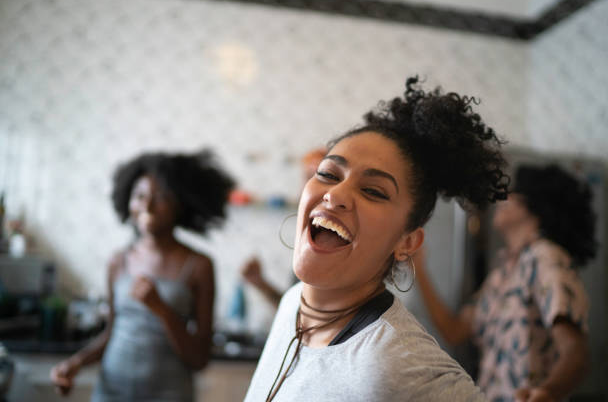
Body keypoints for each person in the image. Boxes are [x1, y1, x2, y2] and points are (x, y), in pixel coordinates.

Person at [244, 76, 510, 402]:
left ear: (408, 242)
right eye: (327, 174)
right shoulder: (292, 303)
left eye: (372, 191)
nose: (336, 194)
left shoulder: (399, 367)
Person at [50, 150, 234, 401]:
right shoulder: (118, 261)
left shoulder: (199, 266)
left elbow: (199, 359)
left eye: (160, 197)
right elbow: (111, 333)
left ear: (180, 204)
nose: (147, 205)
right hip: (110, 392)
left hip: (169, 394)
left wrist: (161, 309)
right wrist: (74, 364)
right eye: (139, 195)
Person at [414, 164, 596, 401]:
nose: (503, 198)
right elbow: (455, 331)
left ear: (535, 205)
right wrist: (418, 268)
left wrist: (546, 393)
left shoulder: (545, 258)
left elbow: (575, 353)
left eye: (513, 192)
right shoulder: (503, 273)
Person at [240, 148, 326, 307]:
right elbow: (294, 311)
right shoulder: (308, 245)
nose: (310, 190)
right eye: (308, 179)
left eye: (323, 179)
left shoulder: (328, 250)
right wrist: (259, 282)